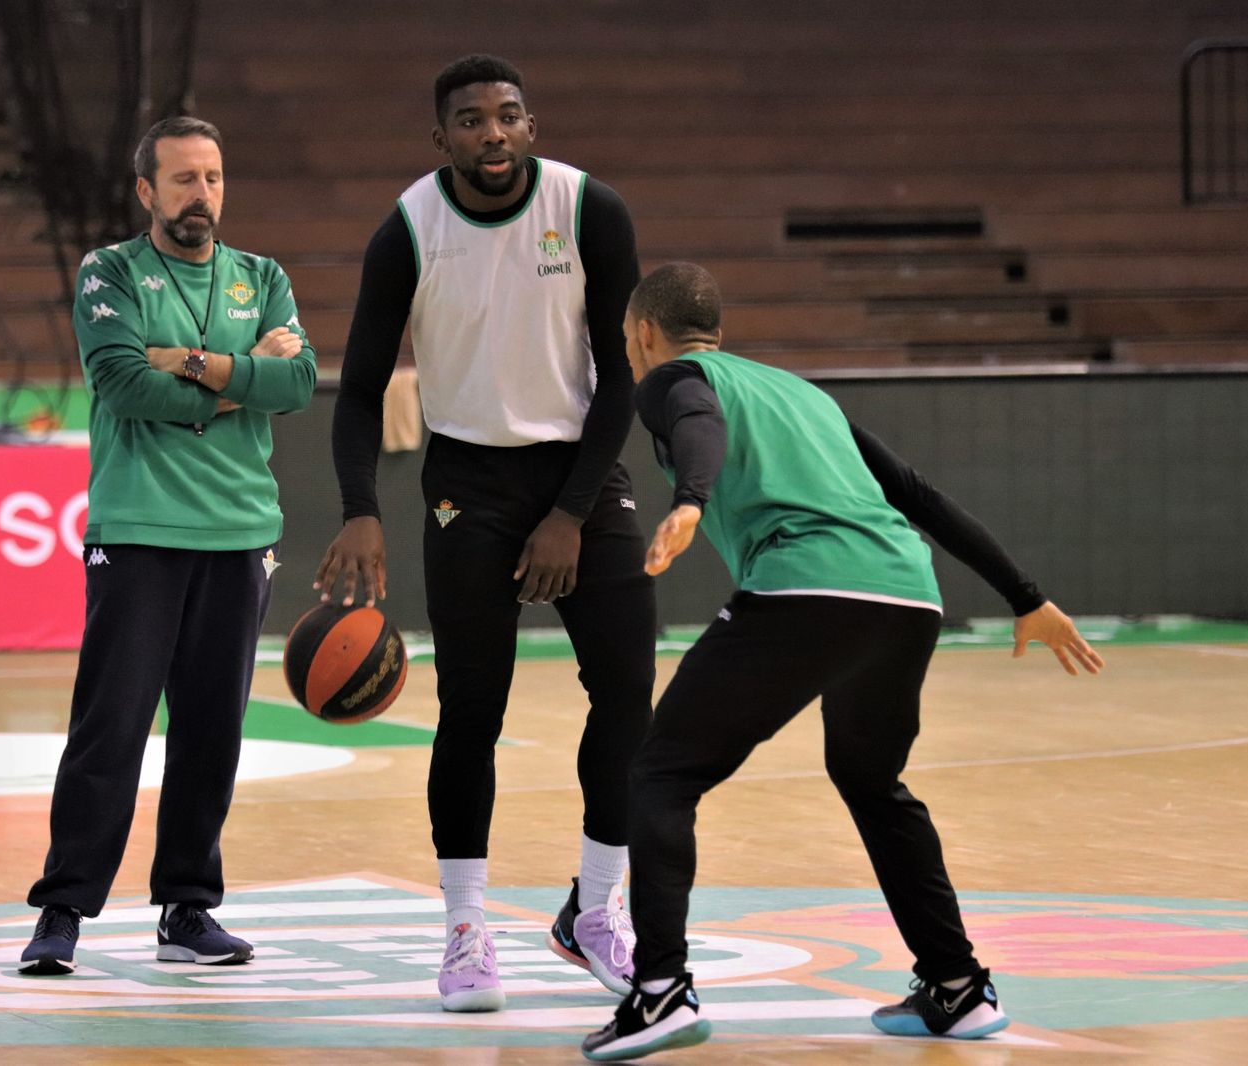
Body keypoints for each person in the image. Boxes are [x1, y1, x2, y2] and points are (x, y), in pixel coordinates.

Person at [581, 263, 1105, 1061]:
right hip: (905, 597)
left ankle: (660, 992)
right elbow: (917, 495)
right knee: (872, 782)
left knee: (660, 773)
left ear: (645, 333)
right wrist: (1024, 595)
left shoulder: (673, 378)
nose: (629, 352)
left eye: (626, 340)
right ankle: (957, 987)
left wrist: (689, 500)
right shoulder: (804, 394)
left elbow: (695, 420)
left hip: (805, 587)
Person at [313, 54, 655, 1012]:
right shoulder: (409, 230)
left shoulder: (591, 210)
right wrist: (361, 507)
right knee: (473, 710)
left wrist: (570, 514)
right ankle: (466, 930)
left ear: (531, 128)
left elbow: (622, 378)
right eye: (470, 121)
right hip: (467, 479)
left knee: (629, 693)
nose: (491, 134)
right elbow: (362, 384)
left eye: (507, 117)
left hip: (579, 471)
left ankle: (594, 910)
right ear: (442, 140)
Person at [18, 116, 317, 975]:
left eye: (214, 177)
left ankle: (188, 910)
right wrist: (238, 371)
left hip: (239, 533)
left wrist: (187, 366)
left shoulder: (262, 276)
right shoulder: (109, 271)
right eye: (183, 179)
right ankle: (64, 912)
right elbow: (123, 383)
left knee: (212, 732)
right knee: (109, 727)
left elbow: (296, 381)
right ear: (146, 191)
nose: (202, 195)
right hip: (139, 529)